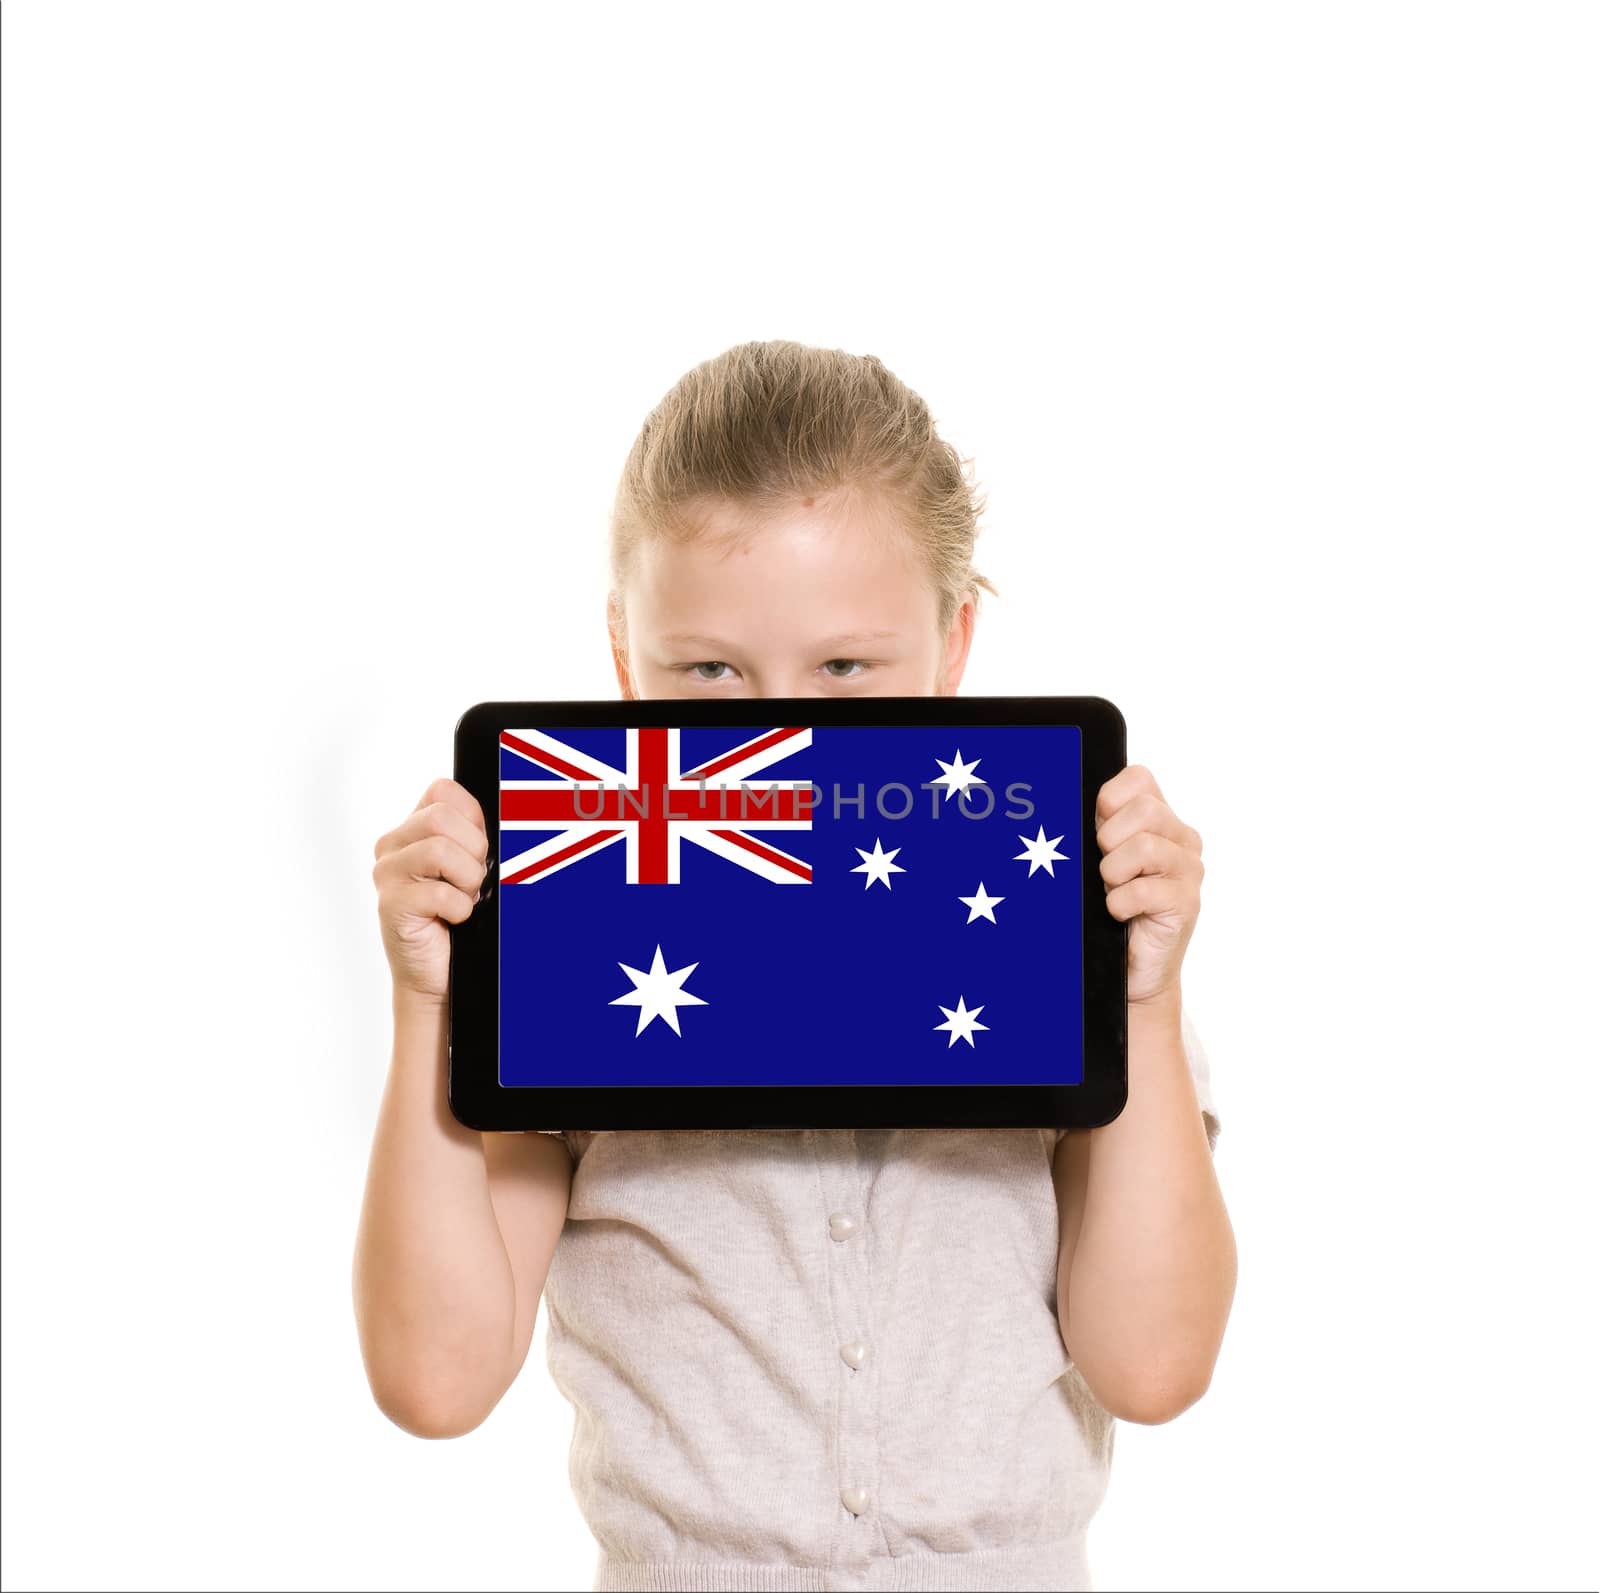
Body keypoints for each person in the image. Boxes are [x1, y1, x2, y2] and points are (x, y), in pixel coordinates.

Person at [356, 340, 1237, 1593]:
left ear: (951, 645)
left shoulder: (1051, 932)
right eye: (708, 670)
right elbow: (435, 1381)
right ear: (625, 655)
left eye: (845, 667)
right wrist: (427, 1000)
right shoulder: (564, 943)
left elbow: (1152, 1365)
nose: (773, 728)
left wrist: (1141, 997)